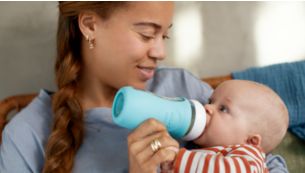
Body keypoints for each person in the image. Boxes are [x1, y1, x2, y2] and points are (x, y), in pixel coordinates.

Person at [0, 2, 289, 173]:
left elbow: (262, 158)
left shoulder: (183, 88)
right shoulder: (28, 134)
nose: (160, 52)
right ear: (90, 25)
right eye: (146, 34)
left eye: (165, 36)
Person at [161, 80, 289, 173]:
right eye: (211, 101)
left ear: (251, 141)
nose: (207, 107)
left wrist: (177, 159)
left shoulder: (249, 156)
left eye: (223, 109)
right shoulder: (198, 150)